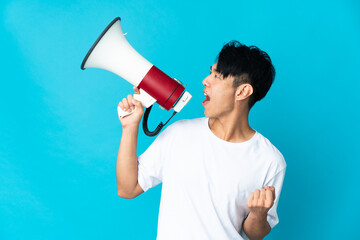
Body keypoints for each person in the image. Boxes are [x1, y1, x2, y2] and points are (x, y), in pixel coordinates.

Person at [116, 41, 286, 240]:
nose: (205, 81)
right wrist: (129, 128)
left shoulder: (270, 161)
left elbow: (255, 234)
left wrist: (258, 214)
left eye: (217, 76)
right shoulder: (178, 134)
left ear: (242, 92)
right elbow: (128, 188)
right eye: (210, 72)